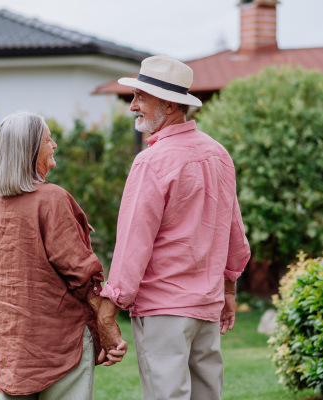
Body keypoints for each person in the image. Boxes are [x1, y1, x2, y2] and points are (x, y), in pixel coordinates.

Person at [96, 56, 251, 400]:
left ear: (168, 103)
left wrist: (109, 310)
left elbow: (133, 244)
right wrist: (228, 290)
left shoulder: (151, 161)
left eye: (141, 97)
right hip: (206, 306)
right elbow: (235, 235)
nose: (133, 105)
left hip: (163, 310)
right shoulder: (218, 154)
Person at [0, 111, 127, 400]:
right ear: (31, 149)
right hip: (60, 340)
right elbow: (81, 273)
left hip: (13, 342)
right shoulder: (52, 199)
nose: (55, 145)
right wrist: (107, 325)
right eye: (49, 140)